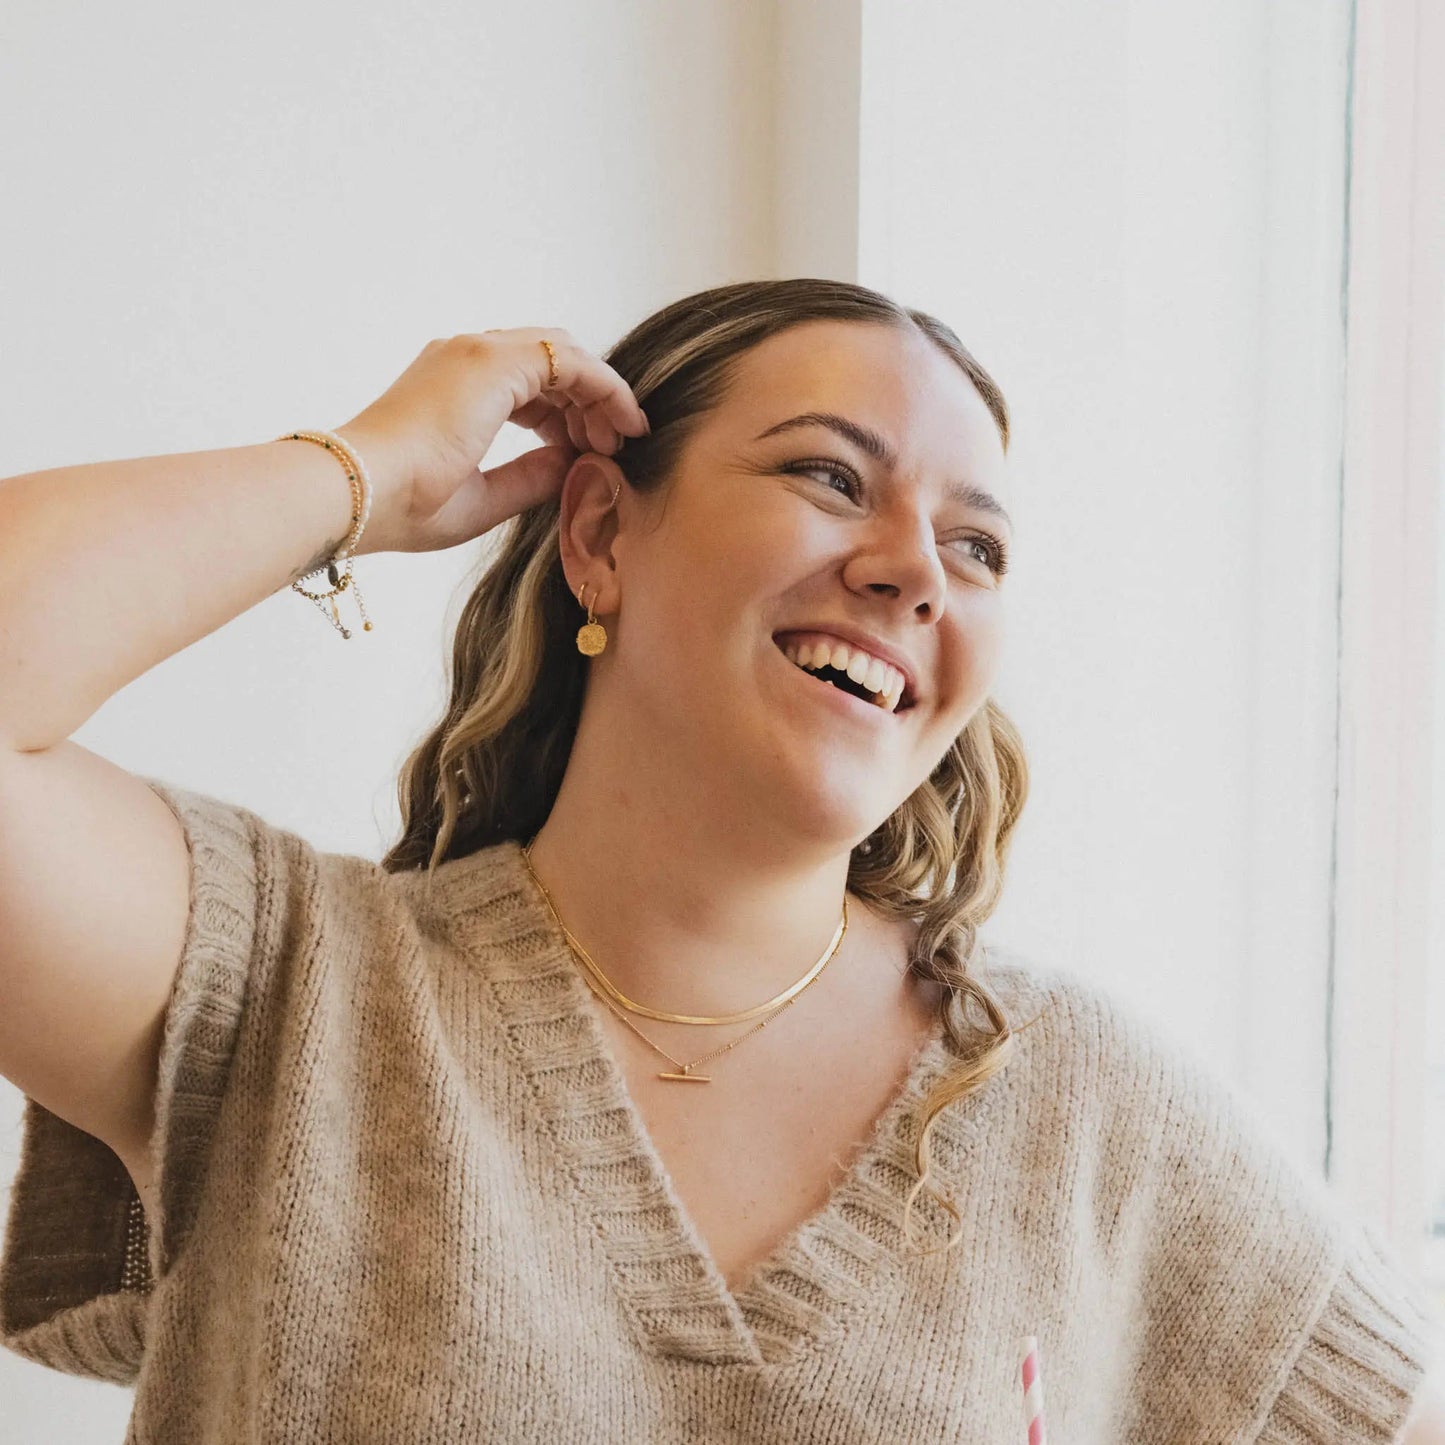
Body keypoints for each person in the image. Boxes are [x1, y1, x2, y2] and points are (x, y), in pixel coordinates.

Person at [0, 278, 1439, 1442]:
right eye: (828, 475)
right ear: (600, 532)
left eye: (977, 548)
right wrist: (366, 470)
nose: (914, 568)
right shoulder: (289, 991)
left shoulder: (1082, 1109)